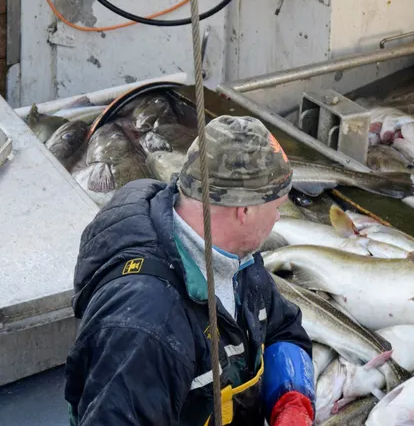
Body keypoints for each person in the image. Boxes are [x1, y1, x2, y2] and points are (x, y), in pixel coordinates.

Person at [65, 115, 316, 426]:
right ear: (246, 210)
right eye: (277, 206)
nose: (278, 218)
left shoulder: (240, 262)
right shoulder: (145, 328)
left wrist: (292, 400)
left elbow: (282, 328)